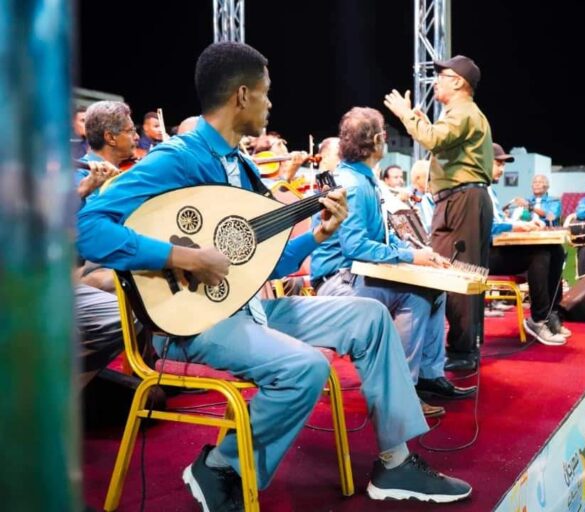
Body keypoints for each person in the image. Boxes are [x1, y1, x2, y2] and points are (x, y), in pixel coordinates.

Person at [77, 42, 472, 508]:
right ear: (242, 96)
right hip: (192, 322)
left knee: (370, 316)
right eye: (265, 93)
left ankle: (395, 462)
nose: (270, 103)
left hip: (248, 309)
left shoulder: (242, 167)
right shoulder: (179, 157)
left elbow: (268, 262)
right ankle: (220, 467)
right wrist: (181, 257)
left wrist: (318, 236)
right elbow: (87, 228)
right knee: (305, 368)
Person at [310, 107, 477, 420]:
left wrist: (420, 254)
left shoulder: (361, 178)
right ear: (378, 139)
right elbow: (356, 247)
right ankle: (399, 393)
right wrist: (411, 257)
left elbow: (380, 237)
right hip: (337, 282)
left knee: (433, 290)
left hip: (353, 274)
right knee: (416, 295)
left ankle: (427, 376)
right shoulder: (353, 184)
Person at [385, 55, 493, 372]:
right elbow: (440, 142)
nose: (436, 82)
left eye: (442, 76)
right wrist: (421, 121)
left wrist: (407, 115)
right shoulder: (464, 113)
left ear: (458, 82)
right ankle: (465, 347)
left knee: (456, 274)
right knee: (462, 271)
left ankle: (462, 350)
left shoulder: (462, 111)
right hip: (462, 199)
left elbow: (433, 138)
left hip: (461, 200)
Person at [487, 143, 569, 345]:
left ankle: (551, 313)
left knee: (556, 251)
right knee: (539, 255)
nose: (502, 169)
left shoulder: (552, 201)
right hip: (484, 254)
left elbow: (551, 217)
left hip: (497, 247)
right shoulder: (480, 191)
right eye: (498, 164)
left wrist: (521, 222)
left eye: (503, 165)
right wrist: (518, 224)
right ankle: (538, 319)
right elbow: (492, 225)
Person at [80, 101, 139, 180]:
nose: (137, 137)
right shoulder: (79, 175)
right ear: (110, 138)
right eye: (131, 131)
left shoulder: (129, 167)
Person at [410, 160, 435, 233]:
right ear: (417, 178)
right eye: (429, 178)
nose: (432, 181)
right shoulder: (406, 197)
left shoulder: (431, 197)